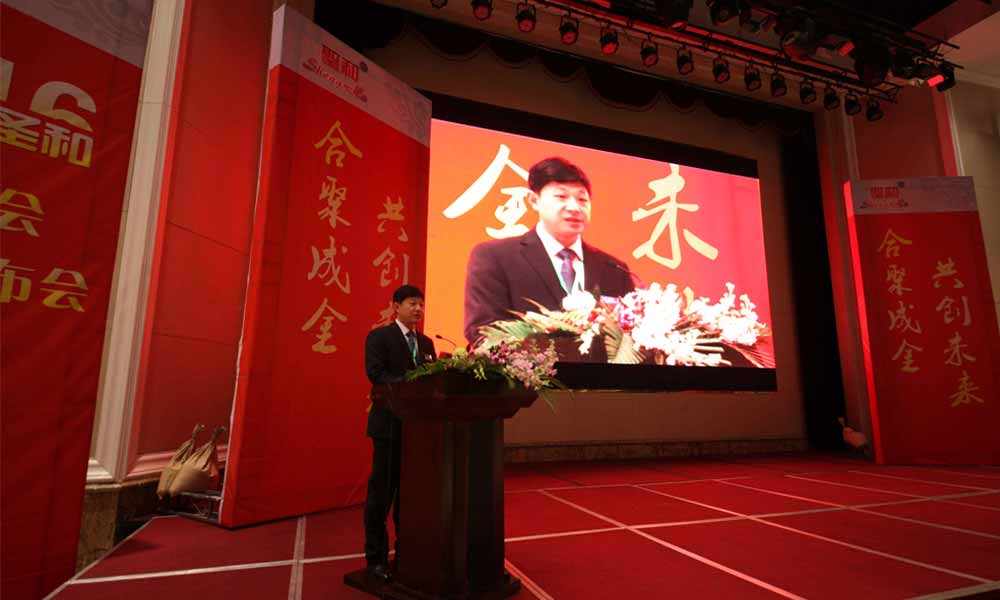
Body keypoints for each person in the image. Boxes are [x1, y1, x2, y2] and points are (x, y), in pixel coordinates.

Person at [463, 157, 635, 350]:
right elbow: (483, 331)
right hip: (529, 369)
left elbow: (630, 337)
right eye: (561, 196)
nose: (574, 207)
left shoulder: (615, 269)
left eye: (582, 199)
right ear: (534, 200)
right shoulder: (494, 257)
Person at [362, 284, 435, 582]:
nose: (418, 309)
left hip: (418, 432)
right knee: (381, 496)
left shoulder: (427, 343)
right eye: (412, 303)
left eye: (421, 304)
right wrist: (411, 384)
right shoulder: (380, 337)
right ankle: (375, 560)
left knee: (410, 498)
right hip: (389, 429)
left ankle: (407, 555)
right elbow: (376, 375)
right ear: (396, 306)